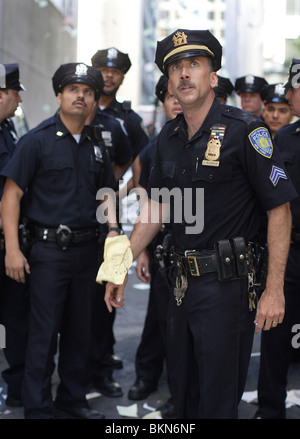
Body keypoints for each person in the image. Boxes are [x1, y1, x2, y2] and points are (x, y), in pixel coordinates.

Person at [101, 29, 297, 419]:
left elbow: (279, 210)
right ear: (169, 82)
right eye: (176, 68)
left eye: (194, 65)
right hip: (178, 284)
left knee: (218, 402)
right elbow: (155, 208)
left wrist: (274, 290)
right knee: (184, 395)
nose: (184, 74)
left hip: (227, 288)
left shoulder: (247, 131)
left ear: (212, 78)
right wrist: (119, 265)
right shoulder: (168, 137)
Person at [0, 62, 119, 419]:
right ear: (59, 95)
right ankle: (38, 407)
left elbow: (106, 195)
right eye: (73, 89)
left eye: (87, 91)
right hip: (48, 253)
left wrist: (113, 233)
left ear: (95, 101)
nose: (80, 96)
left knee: (80, 332)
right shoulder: (36, 140)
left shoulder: (98, 145)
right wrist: (13, 250)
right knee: (42, 334)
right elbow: (10, 197)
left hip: (89, 253)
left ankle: (72, 399)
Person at [90, 46, 149, 392]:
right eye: (103, 69)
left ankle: (100, 367)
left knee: (105, 294)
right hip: (70, 216)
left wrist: (115, 195)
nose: (109, 75)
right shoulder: (77, 106)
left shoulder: (127, 120)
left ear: (123, 77)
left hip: (107, 221)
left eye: (116, 71)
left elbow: (138, 169)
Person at [128, 76, 181, 415]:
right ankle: (147, 375)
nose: (176, 101)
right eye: (168, 97)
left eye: (180, 95)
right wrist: (143, 250)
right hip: (163, 246)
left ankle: (180, 387)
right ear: (162, 102)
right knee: (159, 317)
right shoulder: (157, 145)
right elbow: (144, 198)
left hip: (205, 247)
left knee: (186, 326)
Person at [253, 59, 300, 419]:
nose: (289, 95)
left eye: (293, 90)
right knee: (276, 338)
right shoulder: (281, 139)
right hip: (289, 256)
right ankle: (270, 410)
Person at [0, 63, 28, 408]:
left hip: (9, 243)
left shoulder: (8, 130)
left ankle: (17, 386)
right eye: (15, 92)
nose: (19, 99)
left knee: (17, 320)